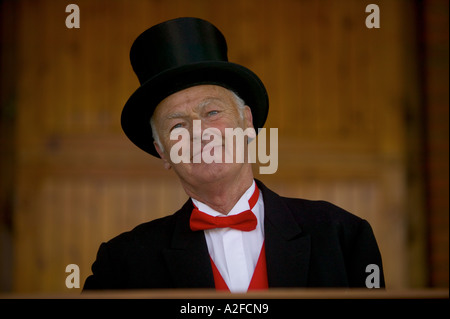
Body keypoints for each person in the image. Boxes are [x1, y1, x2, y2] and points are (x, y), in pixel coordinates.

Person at [83, 17, 385, 292]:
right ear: (162, 151)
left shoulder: (342, 236)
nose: (200, 132)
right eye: (177, 125)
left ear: (247, 123)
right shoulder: (121, 264)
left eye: (213, 112)